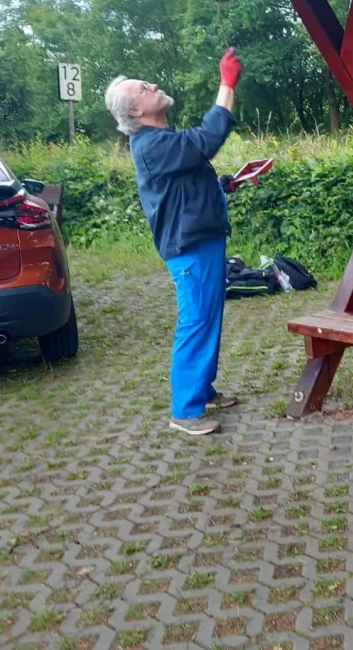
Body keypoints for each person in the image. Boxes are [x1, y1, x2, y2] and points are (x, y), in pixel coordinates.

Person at [103, 48, 244, 436]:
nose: (154, 85)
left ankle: (203, 389)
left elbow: (182, 188)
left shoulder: (162, 140)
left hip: (201, 238)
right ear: (135, 112)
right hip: (189, 248)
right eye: (145, 88)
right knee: (196, 320)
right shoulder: (151, 145)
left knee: (208, 316)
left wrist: (222, 184)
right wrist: (227, 83)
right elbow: (207, 138)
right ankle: (184, 409)